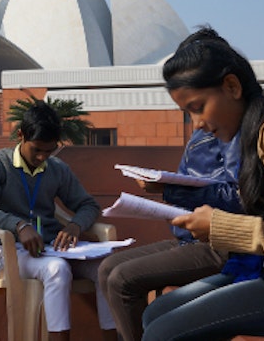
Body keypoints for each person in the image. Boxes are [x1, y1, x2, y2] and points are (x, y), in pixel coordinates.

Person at [140, 27, 264, 340]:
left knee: (161, 334)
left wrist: (220, 227)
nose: (198, 123)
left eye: (198, 107)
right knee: (155, 313)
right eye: (187, 113)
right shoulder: (255, 128)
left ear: (232, 86)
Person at [98, 28, 243, 341]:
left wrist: (168, 189)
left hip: (218, 241)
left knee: (123, 279)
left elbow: (236, 195)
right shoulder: (207, 122)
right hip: (188, 237)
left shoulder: (234, 126)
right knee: (109, 268)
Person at [0, 100, 117, 341]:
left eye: (49, 151)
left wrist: (75, 225)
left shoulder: (57, 168)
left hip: (53, 248)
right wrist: (19, 226)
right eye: (36, 149)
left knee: (107, 268)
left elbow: (88, 205)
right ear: (20, 136)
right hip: (11, 252)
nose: (41, 157)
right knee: (56, 269)